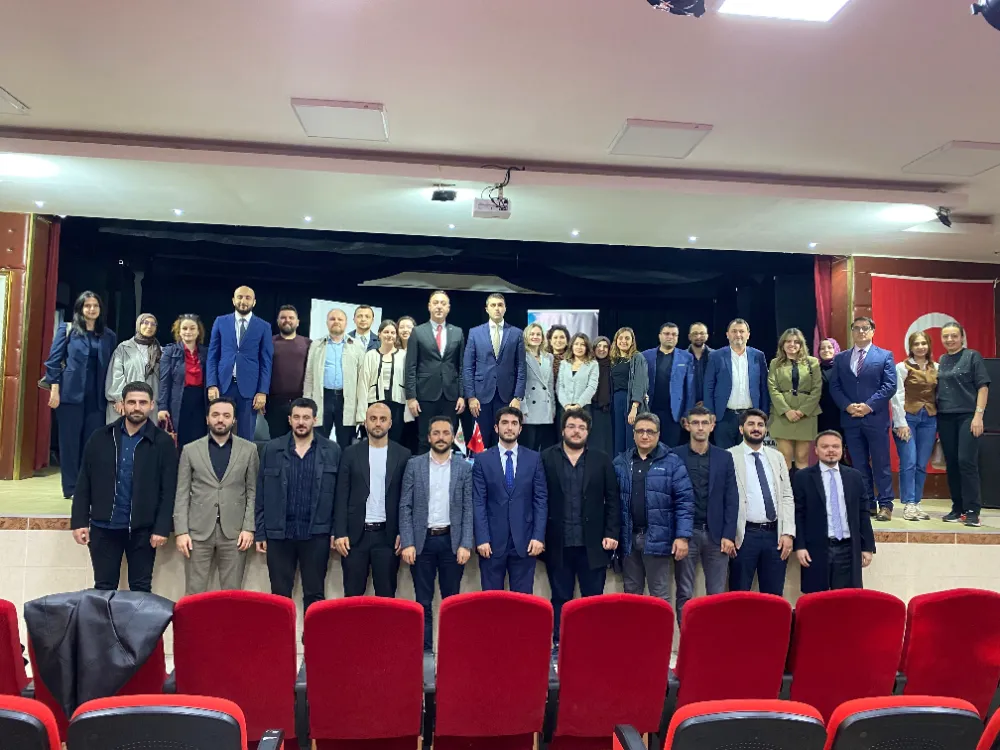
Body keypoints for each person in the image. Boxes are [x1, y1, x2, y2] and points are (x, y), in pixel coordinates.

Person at [71, 382, 178, 592]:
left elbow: (168, 489)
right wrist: (79, 520)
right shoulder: (100, 437)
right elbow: (84, 482)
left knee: (140, 588)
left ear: (152, 405)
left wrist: (161, 527)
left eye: (142, 403)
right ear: (122, 404)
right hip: (104, 528)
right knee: (103, 588)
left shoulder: (163, 442)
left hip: (143, 530)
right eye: (131, 402)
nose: (137, 407)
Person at [541, 408, 619, 653]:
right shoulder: (546, 458)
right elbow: (538, 500)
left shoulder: (601, 459)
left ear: (588, 432)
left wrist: (612, 533)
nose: (576, 432)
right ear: (563, 430)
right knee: (560, 597)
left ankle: (591, 644)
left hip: (593, 544)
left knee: (592, 599)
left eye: (582, 428)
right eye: (572, 426)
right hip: (558, 543)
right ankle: (559, 643)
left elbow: (613, 500)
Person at [255, 397, 341, 613]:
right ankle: (280, 634)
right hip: (279, 534)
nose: (301, 422)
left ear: (315, 420)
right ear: (289, 420)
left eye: (306, 417)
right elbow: (261, 492)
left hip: (317, 534)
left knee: (315, 594)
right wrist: (261, 531)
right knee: (279, 596)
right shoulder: (272, 449)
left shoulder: (332, 450)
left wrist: (335, 530)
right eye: (296, 417)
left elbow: (338, 496)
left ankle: (314, 634)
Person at [399, 416, 473, 652]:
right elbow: (405, 506)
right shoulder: (414, 465)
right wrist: (408, 542)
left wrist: (466, 543)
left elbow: (468, 508)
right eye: (436, 433)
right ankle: (425, 652)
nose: (441, 437)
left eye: (445, 433)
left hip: (452, 542)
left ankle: (452, 650)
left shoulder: (463, 467)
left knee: (452, 601)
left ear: (452, 437)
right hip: (422, 543)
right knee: (423, 601)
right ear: (429, 437)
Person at [173, 397, 258, 594]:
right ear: (207, 419)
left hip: (235, 534)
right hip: (197, 532)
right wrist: (181, 531)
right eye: (216, 415)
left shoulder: (249, 450)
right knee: (194, 592)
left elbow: (252, 491)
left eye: (226, 416)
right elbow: (182, 493)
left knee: (232, 593)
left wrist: (248, 527)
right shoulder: (190, 450)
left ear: (234, 420)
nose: (220, 419)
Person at [42, 291, 117, 499]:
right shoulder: (67, 330)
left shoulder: (108, 335)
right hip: (70, 395)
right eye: (87, 306)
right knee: (70, 443)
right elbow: (53, 362)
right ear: (80, 309)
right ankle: (71, 487)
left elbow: (112, 366)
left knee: (92, 445)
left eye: (95, 306)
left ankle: (87, 487)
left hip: (97, 397)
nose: (92, 309)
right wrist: (54, 390)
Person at [614, 412, 693, 604]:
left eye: (650, 431)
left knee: (660, 597)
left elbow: (685, 502)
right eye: (640, 431)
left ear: (658, 434)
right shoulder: (620, 463)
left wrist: (682, 537)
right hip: (628, 540)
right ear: (633, 434)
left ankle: (660, 627)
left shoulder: (673, 463)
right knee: (631, 596)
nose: (645, 435)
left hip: (658, 539)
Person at [334, 402, 412, 596]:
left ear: (390, 423)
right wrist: (340, 532)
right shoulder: (350, 453)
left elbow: (407, 499)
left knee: (386, 597)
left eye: (383, 419)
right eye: (373, 419)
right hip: (354, 537)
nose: (378, 423)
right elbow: (341, 495)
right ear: (365, 422)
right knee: (352, 597)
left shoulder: (403, 455)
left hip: (388, 537)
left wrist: (404, 532)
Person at [673, 406, 738, 623]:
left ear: (712, 425)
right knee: (684, 593)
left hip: (716, 536)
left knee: (716, 595)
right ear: (687, 425)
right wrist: (678, 534)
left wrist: (728, 535)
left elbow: (731, 498)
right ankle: (687, 640)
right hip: (686, 535)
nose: (700, 427)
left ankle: (713, 640)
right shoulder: (675, 456)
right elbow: (670, 497)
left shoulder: (724, 457)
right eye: (695, 423)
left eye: (704, 423)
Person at [472, 407, 548, 594]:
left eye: (514, 423)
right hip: (491, 543)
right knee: (491, 601)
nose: (509, 427)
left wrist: (538, 536)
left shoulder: (534, 459)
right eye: (504, 423)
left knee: (523, 602)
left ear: (520, 429)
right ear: (496, 428)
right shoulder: (482, 460)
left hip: (525, 541)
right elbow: (479, 502)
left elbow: (540, 500)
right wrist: (482, 538)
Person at [828, 316, 897, 521]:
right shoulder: (841, 358)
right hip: (851, 419)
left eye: (865, 328)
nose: (861, 331)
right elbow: (835, 386)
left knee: (881, 463)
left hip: (875, 418)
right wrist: (847, 406)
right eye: (856, 328)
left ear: (873, 331)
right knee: (858, 465)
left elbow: (889, 386)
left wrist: (868, 406)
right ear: (852, 331)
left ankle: (886, 504)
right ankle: (867, 504)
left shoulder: (884, 356)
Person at [794, 430, 875, 593]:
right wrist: (800, 546)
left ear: (842, 450)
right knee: (816, 598)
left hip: (848, 549)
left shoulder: (854, 476)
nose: (830, 450)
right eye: (825, 446)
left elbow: (863, 513)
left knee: (846, 599)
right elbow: (798, 514)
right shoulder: (802, 477)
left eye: (835, 446)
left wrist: (867, 546)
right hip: (816, 549)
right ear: (816, 450)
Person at [727, 409, 795, 596]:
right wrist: (728, 534)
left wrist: (788, 533)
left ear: (765, 429)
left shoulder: (777, 457)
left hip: (775, 536)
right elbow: (724, 499)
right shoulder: (729, 456)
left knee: (773, 597)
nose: (756, 428)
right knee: (739, 596)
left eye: (760, 425)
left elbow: (787, 496)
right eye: (751, 424)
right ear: (741, 429)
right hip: (744, 536)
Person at [938, 321, 991, 527]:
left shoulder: (972, 356)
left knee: (966, 461)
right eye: (946, 336)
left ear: (962, 337)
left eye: (954, 335)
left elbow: (983, 387)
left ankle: (972, 510)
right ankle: (957, 507)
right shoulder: (942, 359)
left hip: (968, 416)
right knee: (951, 463)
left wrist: (978, 416)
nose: (950, 339)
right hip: (945, 417)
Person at [206, 286, 274, 442]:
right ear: (233, 300)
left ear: (254, 302)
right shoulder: (220, 321)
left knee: (245, 436)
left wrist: (262, 391)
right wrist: (211, 384)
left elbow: (266, 361)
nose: (243, 301)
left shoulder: (264, 326)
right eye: (240, 297)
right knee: (219, 430)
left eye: (248, 298)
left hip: (250, 389)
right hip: (223, 386)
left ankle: (244, 460)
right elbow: (212, 356)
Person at [404, 291, 466, 452]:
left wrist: (462, 395)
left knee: (448, 439)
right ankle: (424, 469)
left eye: (443, 303)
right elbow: (410, 366)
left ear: (448, 308)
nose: (439, 306)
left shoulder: (457, 332)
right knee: (425, 438)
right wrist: (411, 397)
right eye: (436, 303)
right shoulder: (418, 332)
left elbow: (461, 366)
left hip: (451, 395)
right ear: (429, 306)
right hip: (425, 394)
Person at [463, 293, 526, 448]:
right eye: (493, 305)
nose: (497, 308)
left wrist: (517, 397)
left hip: (507, 396)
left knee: (504, 439)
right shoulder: (475, 333)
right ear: (487, 309)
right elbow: (468, 367)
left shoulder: (516, 333)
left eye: (500, 305)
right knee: (480, 442)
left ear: (505, 308)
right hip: (480, 397)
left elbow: (521, 367)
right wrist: (471, 397)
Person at [889, 331, 938, 522]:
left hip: (930, 419)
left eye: (923, 343)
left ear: (928, 345)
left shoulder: (936, 367)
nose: (920, 347)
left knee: (921, 464)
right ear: (910, 347)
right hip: (908, 418)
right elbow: (897, 395)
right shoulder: (902, 367)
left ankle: (916, 503)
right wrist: (900, 423)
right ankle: (908, 503)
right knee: (909, 461)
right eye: (916, 344)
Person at [303, 308, 366, 447]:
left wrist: (361, 410)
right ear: (327, 323)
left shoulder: (357, 346)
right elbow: (309, 376)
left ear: (346, 323)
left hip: (347, 399)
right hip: (323, 398)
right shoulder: (316, 345)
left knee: (346, 444)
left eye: (340, 319)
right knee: (319, 441)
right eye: (332, 319)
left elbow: (362, 380)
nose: (336, 322)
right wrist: (307, 403)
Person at [704, 318, 770, 450]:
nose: (738, 334)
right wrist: (710, 414)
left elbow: (764, 387)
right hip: (724, 417)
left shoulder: (758, 356)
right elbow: (708, 387)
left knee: (749, 455)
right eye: (734, 331)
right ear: (727, 334)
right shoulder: (716, 356)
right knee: (725, 456)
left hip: (751, 416)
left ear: (748, 335)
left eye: (741, 331)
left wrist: (764, 414)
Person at [767, 328, 822, 474]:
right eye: (788, 341)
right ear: (782, 344)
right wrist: (786, 411)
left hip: (806, 415)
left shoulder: (812, 363)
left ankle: (801, 488)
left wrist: (802, 411)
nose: (792, 344)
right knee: (784, 457)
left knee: (802, 457)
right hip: (782, 415)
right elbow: (773, 388)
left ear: (801, 344)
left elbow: (817, 389)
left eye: (796, 342)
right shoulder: (775, 363)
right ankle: (785, 488)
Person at [157, 314, 208, 449]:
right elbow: (164, 382)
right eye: (184, 328)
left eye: (192, 328)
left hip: (200, 402)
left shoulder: (205, 352)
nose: (188, 332)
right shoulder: (170, 351)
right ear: (178, 331)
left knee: (198, 441)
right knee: (179, 441)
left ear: (198, 331)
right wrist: (162, 407)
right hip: (179, 401)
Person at [642, 322, 695, 447]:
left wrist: (687, 414)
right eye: (666, 334)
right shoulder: (645, 356)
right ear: (659, 336)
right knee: (649, 447)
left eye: (674, 334)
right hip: (650, 410)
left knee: (671, 449)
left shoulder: (686, 357)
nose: (670, 337)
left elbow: (690, 389)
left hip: (674, 413)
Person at [106, 313, 161, 424]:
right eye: (145, 323)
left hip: (149, 404)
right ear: (138, 325)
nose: (149, 326)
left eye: (153, 324)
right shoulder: (123, 348)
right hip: (124, 404)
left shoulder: (159, 351)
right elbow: (116, 374)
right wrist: (118, 398)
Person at [359, 320, 408, 442]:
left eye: (392, 332)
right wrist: (362, 412)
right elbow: (363, 383)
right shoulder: (370, 355)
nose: (389, 335)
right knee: (374, 440)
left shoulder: (404, 355)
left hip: (397, 403)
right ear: (379, 334)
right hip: (374, 402)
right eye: (386, 332)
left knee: (394, 441)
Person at [267, 305, 310, 440]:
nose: (287, 320)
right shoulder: (269, 343)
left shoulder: (308, 344)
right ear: (278, 321)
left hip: (301, 402)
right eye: (283, 318)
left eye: (291, 318)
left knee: (300, 442)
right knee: (277, 442)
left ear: (297, 322)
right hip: (275, 403)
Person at [609, 327, 650, 455]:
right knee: (618, 437)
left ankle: (631, 464)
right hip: (616, 402)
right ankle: (618, 465)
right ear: (616, 341)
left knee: (630, 438)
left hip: (630, 401)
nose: (623, 341)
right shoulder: (613, 360)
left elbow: (640, 382)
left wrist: (634, 407)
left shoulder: (637, 357)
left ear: (632, 341)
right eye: (620, 338)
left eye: (627, 338)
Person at [521, 322, 557, 452]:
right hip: (528, 408)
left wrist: (552, 407)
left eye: (538, 334)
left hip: (545, 408)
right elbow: (519, 383)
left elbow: (549, 384)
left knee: (542, 448)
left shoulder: (549, 357)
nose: (535, 337)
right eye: (532, 334)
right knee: (528, 447)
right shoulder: (521, 355)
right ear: (526, 336)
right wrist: (522, 407)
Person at [556, 333, 599, 423]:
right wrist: (566, 405)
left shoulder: (593, 364)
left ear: (587, 347)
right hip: (565, 408)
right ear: (572, 346)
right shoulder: (564, 363)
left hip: (584, 408)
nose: (579, 347)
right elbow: (559, 386)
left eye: (582, 344)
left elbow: (591, 387)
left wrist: (578, 405)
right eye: (576, 344)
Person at [396, 315, 419, 452]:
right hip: (397, 399)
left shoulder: (421, 350)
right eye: (402, 327)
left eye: (409, 327)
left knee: (414, 436)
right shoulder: (393, 351)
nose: (405, 330)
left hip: (416, 400)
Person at [590, 336, 614, 456]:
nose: (602, 349)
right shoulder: (588, 365)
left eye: (605, 347)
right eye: (599, 346)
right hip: (590, 409)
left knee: (606, 444)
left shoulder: (613, 366)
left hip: (607, 411)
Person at [816, 338, 843, 439]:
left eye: (830, 347)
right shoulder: (815, 370)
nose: (826, 350)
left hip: (841, 414)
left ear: (835, 349)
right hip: (821, 415)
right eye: (822, 348)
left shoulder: (843, 368)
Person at [688, 322, 713, 406]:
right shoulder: (682, 357)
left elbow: (719, 383)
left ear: (707, 336)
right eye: (695, 334)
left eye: (702, 333)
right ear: (689, 336)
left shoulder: (715, 357)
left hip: (710, 406)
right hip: (687, 406)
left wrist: (707, 401)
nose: (698, 337)